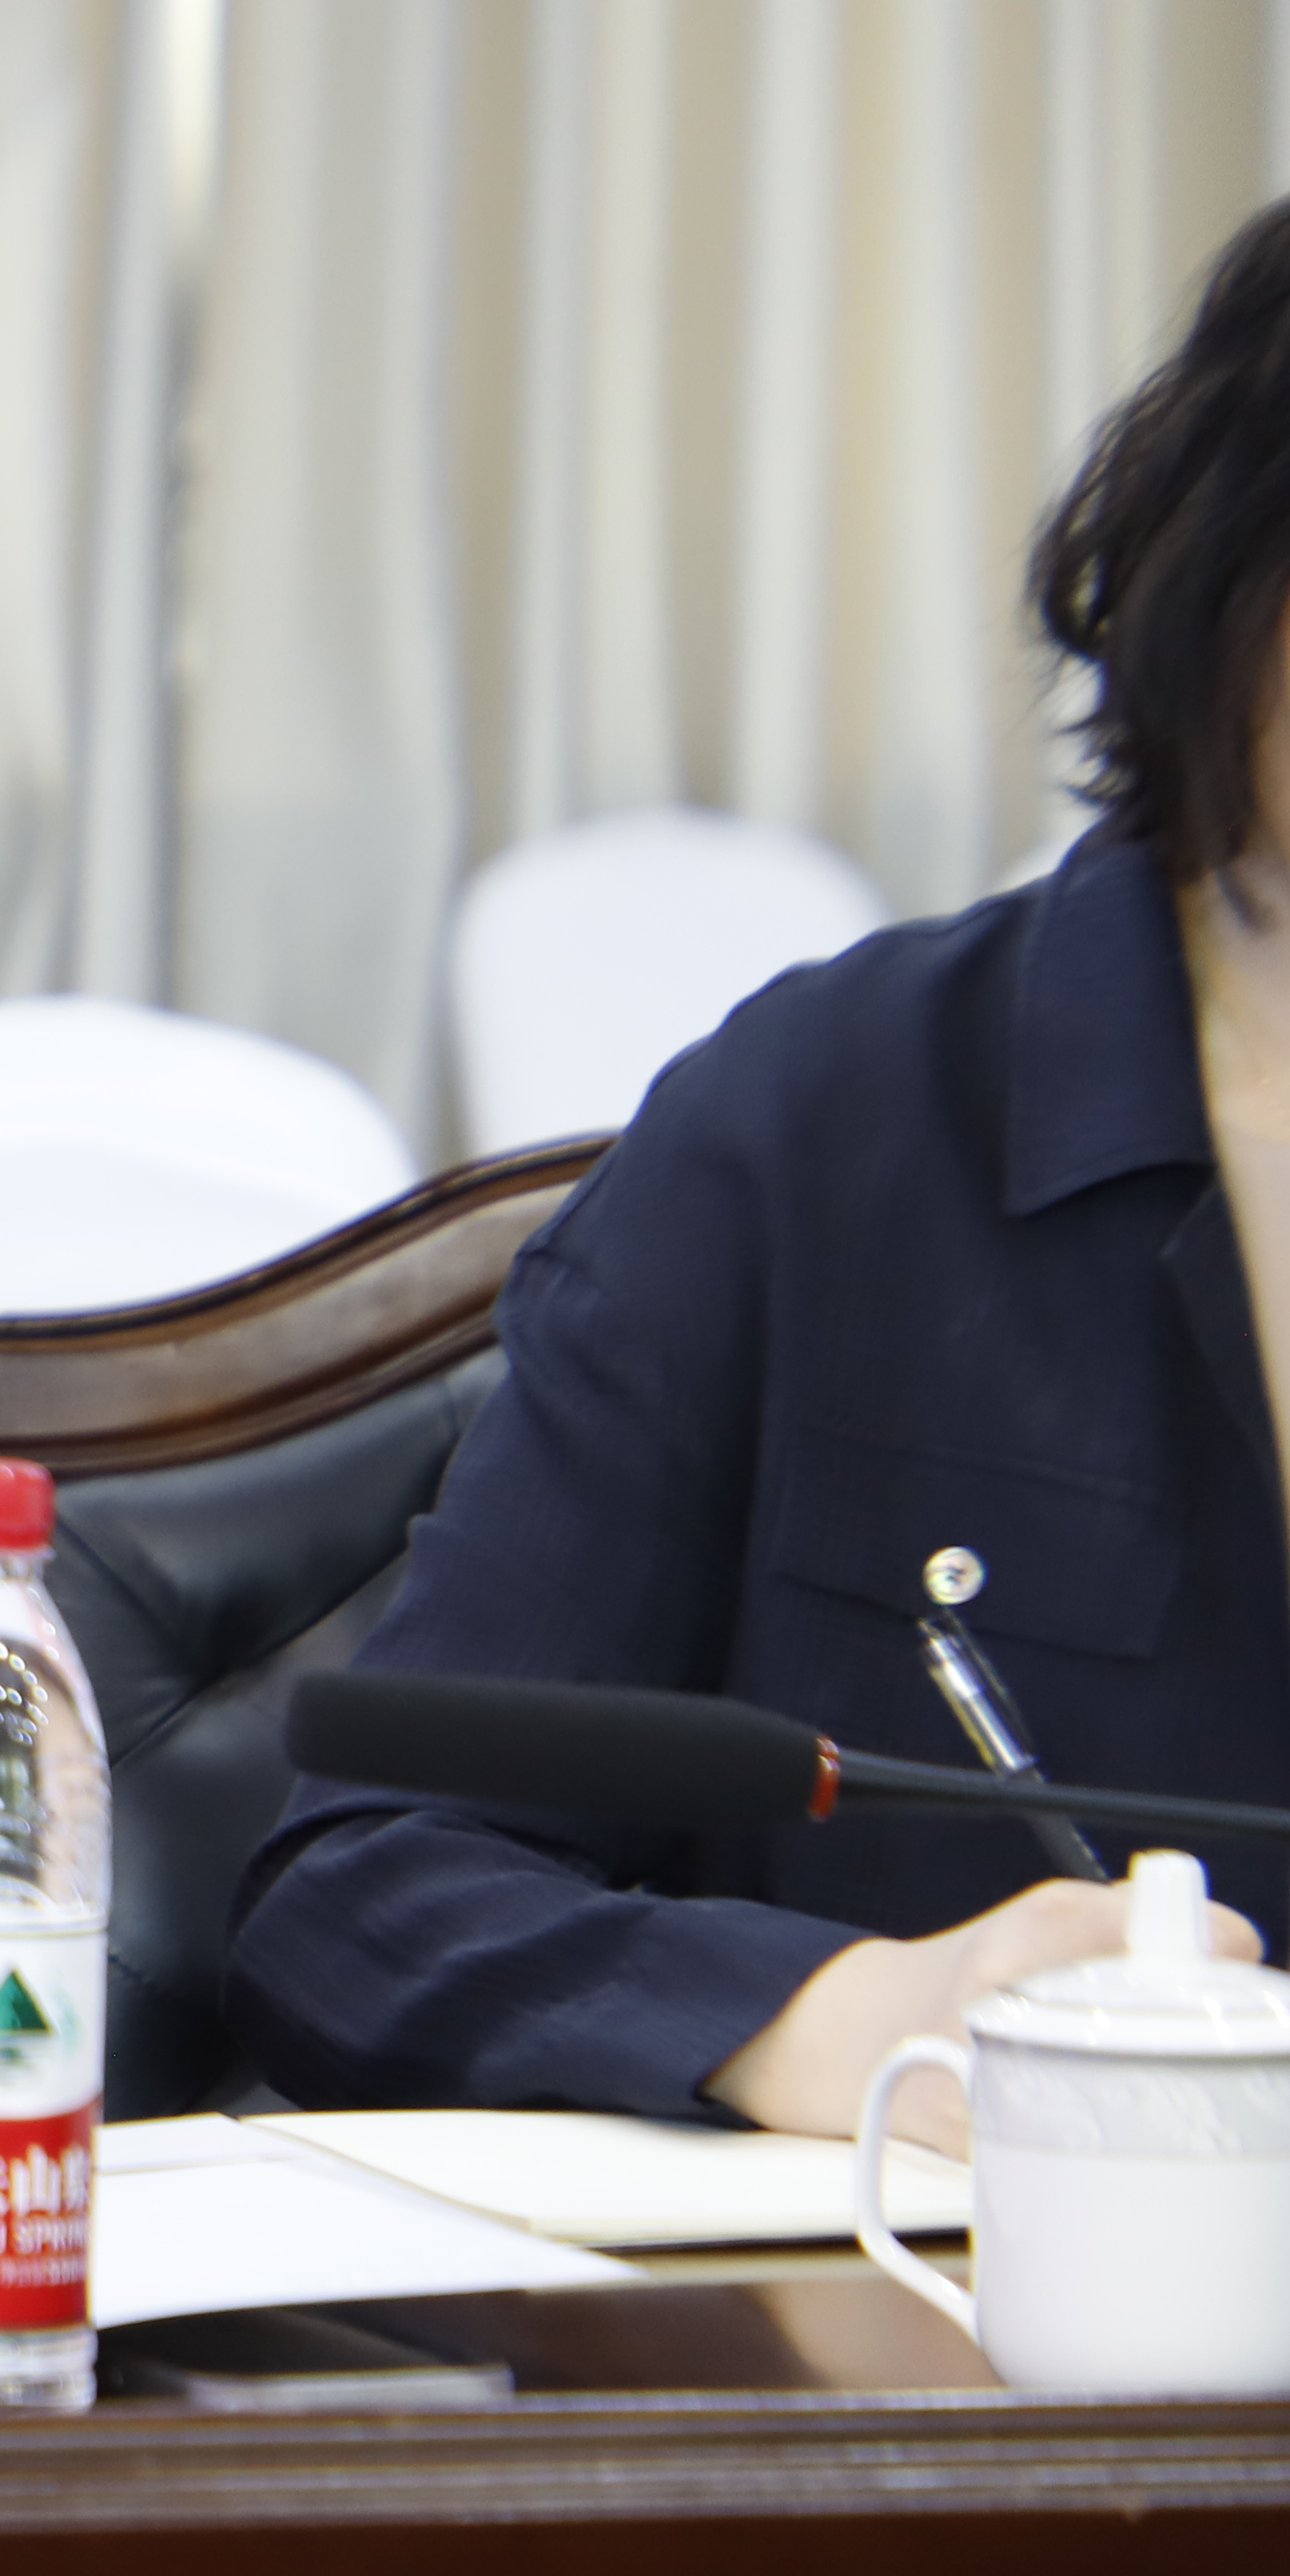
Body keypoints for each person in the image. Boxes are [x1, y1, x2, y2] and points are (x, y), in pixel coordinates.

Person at [229, 202, 1290, 2135]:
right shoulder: (831, 1126)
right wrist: (868, 2020)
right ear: (1235, 588)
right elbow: (374, 1889)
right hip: (972, 2302)